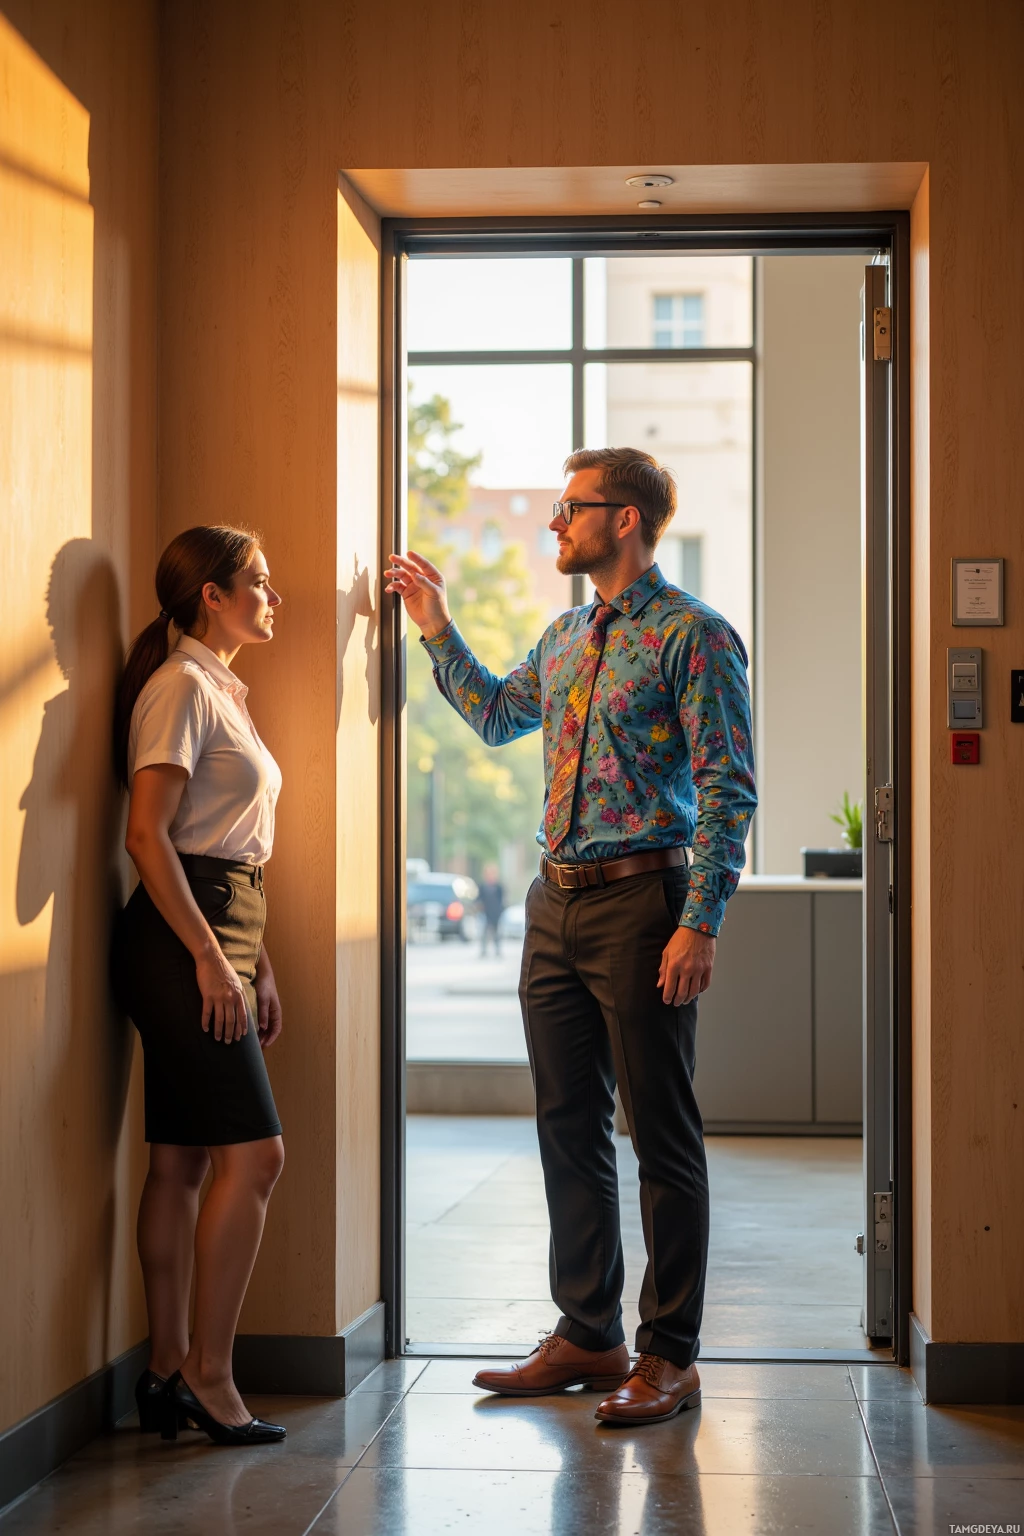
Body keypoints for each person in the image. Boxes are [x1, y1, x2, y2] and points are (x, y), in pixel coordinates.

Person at [386, 448, 757, 1427]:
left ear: (625, 519)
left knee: (660, 1133)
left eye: (570, 508)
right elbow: (500, 716)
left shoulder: (697, 636)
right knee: (566, 1125)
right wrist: (437, 630)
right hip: (551, 906)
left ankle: (667, 1355)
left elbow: (727, 789)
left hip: (645, 904)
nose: (555, 523)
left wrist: (699, 921)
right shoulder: (562, 637)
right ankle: (588, 1331)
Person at [110, 525, 288, 1447]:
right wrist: (216, 962)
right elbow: (152, 838)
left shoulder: (219, 688)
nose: (274, 595)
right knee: (255, 1159)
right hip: (185, 939)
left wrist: (258, 963)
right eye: (257, 582)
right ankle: (210, 1378)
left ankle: (165, 1368)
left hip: (219, 931)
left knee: (180, 1162)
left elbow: (236, 847)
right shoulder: (180, 687)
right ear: (210, 595)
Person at [477, 862, 505, 956]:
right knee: (484, 933)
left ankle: (497, 950)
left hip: (496, 913)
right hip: (485, 913)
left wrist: (500, 910)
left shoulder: (498, 887)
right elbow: (479, 899)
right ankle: (483, 950)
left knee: (496, 933)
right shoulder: (482, 886)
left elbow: (502, 900)